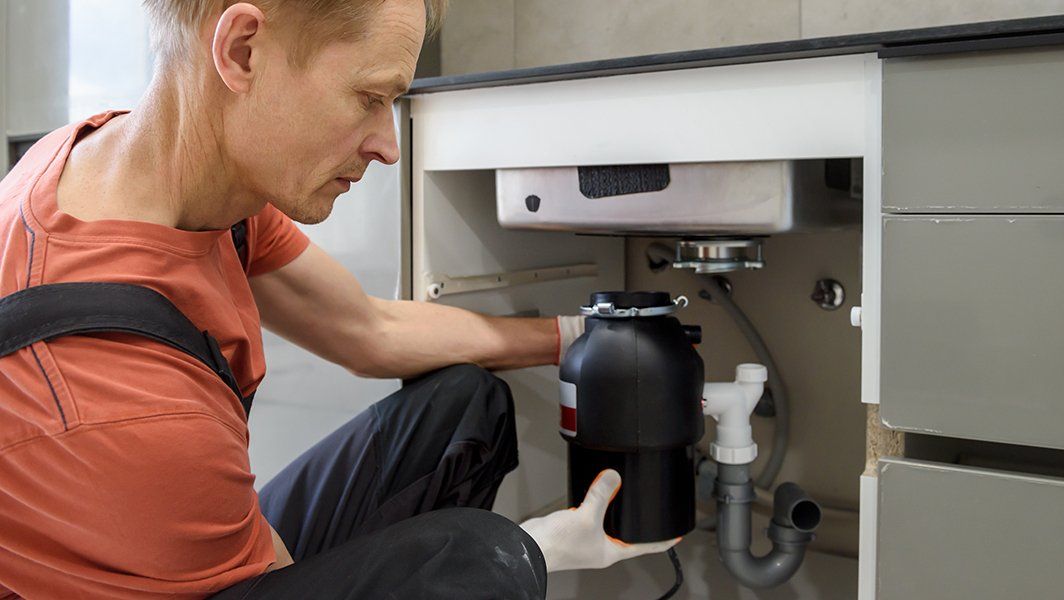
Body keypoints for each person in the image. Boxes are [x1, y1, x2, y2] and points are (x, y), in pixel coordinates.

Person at [0, 1, 677, 598]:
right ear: (242, 51)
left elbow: (368, 329)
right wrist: (532, 554)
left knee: (461, 406)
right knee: (477, 561)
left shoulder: (155, 173)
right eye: (368, 97)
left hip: (175, 536)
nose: (388, 145)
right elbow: (279, 573)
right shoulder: (118, 399)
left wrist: (583, 337)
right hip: (172, 556)